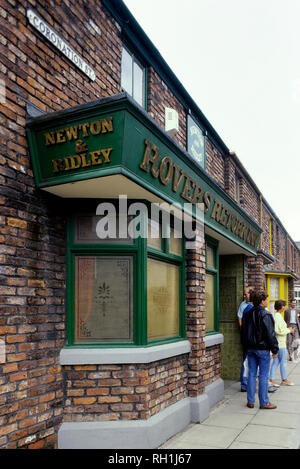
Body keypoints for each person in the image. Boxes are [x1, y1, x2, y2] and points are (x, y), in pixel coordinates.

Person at [241, 290, 279, 409]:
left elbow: (243, 332)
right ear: (262, 301)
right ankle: (264, 402)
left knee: (251, 374)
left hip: (250, 348)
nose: (267, 301)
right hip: (262, 349)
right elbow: (270, 334)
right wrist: (275, 349)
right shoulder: (266, 314)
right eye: (266, 299)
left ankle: (250, 401)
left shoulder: (247, 314)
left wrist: (246, 346)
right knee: (263, 376)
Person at [269, 300, 294, 387]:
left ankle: (271, 379)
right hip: (280, 343)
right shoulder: (278, 316)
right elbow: (278, 330)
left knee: (276, 361)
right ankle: (284, 379)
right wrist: (289, 330)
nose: (285, 307)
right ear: (281, 307)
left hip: (279, 343)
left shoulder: (278, 316)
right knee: (283, 362)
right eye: (284, 306)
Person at [237, 288, 254, 392]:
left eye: (245, 294)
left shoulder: (251, 306)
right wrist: (244, 331)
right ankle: (244, 384)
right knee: (246, 361)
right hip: (248, 338)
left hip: (251, 338)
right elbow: (240, 318)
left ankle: (249, 382)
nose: (244, 296)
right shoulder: (246, 306)